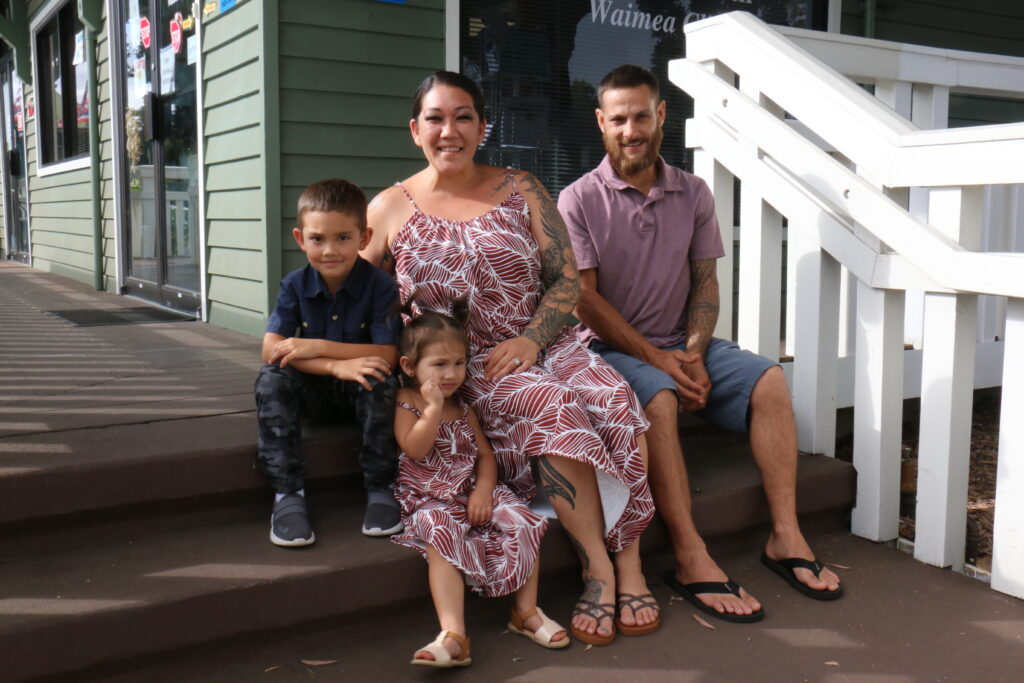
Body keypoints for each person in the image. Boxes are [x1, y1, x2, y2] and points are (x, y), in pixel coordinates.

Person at [365, 71, 659, 646]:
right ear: (414, 130)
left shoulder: (521, 187)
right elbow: (358, 295)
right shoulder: (388, 208)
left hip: (543, 341)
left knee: (616, 399)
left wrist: (532, 339)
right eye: (435, 118)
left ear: (481, 125)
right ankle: (597, 570)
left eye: (464, 117)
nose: (449, 131)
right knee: (548, 405)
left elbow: (565, 279)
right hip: (466, 367)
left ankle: (630, 561)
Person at [558, 65, 843, 622]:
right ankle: (691, 556)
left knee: (769, 379)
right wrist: (658, 359)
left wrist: (693, 350)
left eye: (642, 115)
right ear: (601, 123)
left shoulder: (692, 191)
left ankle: (785, 536)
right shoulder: (578, 199)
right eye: (618, 119)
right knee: (660, 399)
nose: (631, 129)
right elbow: (584, 302)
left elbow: (705, 280)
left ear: (661, 114)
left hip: (681, 344)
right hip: (610, 352)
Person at [393, 300, 568, 668]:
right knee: (439, 530)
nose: (451, 374)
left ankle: (526, 611)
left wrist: (485, 489)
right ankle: (454, 633)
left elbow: (485, 457)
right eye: (439, 365)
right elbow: (415, 448)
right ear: (409, 367)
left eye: (458, 363)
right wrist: (433, 408)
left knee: (522, 518)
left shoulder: (465, 407)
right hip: (430, 497)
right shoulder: (407, 402)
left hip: (471, 489)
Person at [255, 178, 402, 547]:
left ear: (364, 238)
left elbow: (387, 354)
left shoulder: (380, 286)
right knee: (272, 378)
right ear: (300, 238)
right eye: (317, 239)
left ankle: (381, 487)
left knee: (382, 377)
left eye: (343, 238)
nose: (330, 250)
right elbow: (272, 349)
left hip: (361, 394)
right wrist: (334, 365)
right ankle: (288, 494)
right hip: (312, 393)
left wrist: (316, 346)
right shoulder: (293, 285)